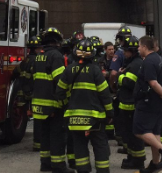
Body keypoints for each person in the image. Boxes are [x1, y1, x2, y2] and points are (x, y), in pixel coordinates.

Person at [55, 38, 113, 173]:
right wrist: (110, 113)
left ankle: (83, 170)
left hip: (75, 118)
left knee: (79, 146)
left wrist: (66, 106)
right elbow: (105, 95)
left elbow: (59, 92)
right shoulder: (96, 70)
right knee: (100, 146)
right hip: (95, 118)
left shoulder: (69, 70)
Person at [32, 27, 74, 173]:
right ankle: (59, 166)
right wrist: (66, 98)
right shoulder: (56, 56)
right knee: (57, 135)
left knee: (45, 134)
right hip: (53, 103)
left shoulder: (39, 55)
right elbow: (60, 81)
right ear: (57, 41)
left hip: (39, 103)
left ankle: (45, 164)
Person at [132, 35, 162, 170]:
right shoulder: (161, 60)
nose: (138, 49)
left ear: (145, 47)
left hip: (148, 103)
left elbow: (152, 82)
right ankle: (155, 163)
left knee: (139, 130)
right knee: (155, 133)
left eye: (139, 46)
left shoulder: (148, 61)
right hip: (159, 104)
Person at [118, 37, 146, 170]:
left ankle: (138, 160)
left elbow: (129, 82)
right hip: (128, 105)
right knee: (129, 134)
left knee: (133, 135)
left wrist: (120, 77)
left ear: (132, 51)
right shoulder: (133, 63)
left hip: (131, 106)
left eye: (126, 50)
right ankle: (132, 157)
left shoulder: (135, 64)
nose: (124, 53)